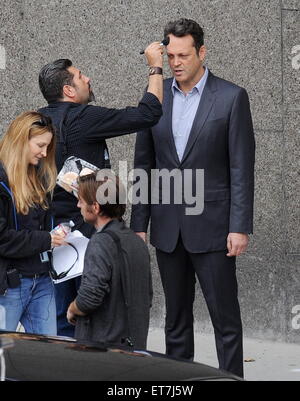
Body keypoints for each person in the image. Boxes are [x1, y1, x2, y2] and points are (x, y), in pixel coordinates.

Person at [130, 18, 255, 378]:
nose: (177, 63)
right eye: (170, 56)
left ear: (202, 52)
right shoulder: (156, 96)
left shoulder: (232, 97)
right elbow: (144, 165)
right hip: (169, 229)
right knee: (176, 321)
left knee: (225, 321)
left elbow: (241, 168)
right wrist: (139, 224)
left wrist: (239, 226)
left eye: (184, 55)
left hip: (216, 229)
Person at [38, 41, 164, 337]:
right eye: (81, 76)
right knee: (94, 312)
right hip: (89, 233)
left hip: (52, 235)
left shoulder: (36, 121)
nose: (88, 79)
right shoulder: (84, 117)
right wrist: (155, 66)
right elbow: (148, 113)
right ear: (68, 90)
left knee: (61, 317)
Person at [67, 171, 152, 349]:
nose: (78, 205)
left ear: (96, 207)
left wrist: (73, 308)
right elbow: (147, 296)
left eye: (81, 201)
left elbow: (89, 298)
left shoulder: (100, 243)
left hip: (102, 349)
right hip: (133, 345)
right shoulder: (136, 241)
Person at [0, 111, 65, 335]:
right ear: (21, 140)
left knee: (47, 360)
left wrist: (58, 234)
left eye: (48, 147)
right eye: (40, 145)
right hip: (9, 287)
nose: (44, 153)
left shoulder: (38, 175)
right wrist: (46, 239)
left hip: (42, 282)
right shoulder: (2, 179)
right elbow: (2, 239)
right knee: (3, 354)